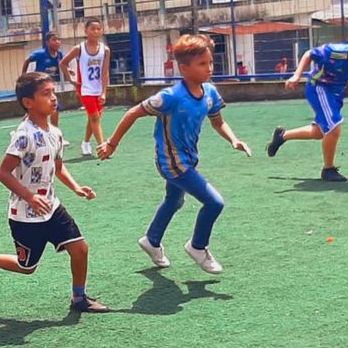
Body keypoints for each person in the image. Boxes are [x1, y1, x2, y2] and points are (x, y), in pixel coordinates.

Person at [97, 34, 252, 274]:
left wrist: (234, 139)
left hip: (188, 160)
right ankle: (197, 247)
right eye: (202, 64)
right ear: (184, 68)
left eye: (210, 62)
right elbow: (132, 113)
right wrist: (111, 144)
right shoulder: (170, 97)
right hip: (172, 163)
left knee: (174, 200)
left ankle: (152, 240)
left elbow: (218, 122)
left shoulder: (210, 93)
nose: (209, 68)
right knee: (214, 202)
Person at [0, 72, 108, 313]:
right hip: (25, 215)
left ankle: (79, 298)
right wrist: (30, 197)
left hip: (52, 208)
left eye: (53, 92)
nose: (53, 98)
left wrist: (76, 187)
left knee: (80, 249)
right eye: (46, 94)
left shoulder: (55, 133)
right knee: (27, 267)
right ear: (28, 102)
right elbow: (3, 173)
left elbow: (58, 167)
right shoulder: (24, 136)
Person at [266, 26, 348, 182]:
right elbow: (309, 54)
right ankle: (328, 169)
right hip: (319, 87)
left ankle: (282, 136)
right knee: (334, 127)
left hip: (336, 92)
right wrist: (296, 76)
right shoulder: (335, 51)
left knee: (320, 132)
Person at [60, 18, 110, 156]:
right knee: (94, 117)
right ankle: (102, 146)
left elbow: (105, 72)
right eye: (92, 29)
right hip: (85, 88)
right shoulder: (79, 48)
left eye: (98, 29)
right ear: (86, 31)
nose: (96, 31)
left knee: (95, 118)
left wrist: (104, 92)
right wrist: (70, 79)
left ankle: (86, 142)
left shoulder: (105, 50)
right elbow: (63, 63)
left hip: (98, 88)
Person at [21, 31, 67, 134]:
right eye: (54, 40)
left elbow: (62, 65)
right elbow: (27, 60)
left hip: (48, 87)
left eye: (58, 40)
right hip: (38, 87)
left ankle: (54, 132)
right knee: (35, 109)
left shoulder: (59, 55)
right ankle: (22, 129)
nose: (57, 42)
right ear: (47, 42)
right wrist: (24, 75)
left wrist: (68, 71)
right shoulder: (40, 54)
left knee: (55, 107)